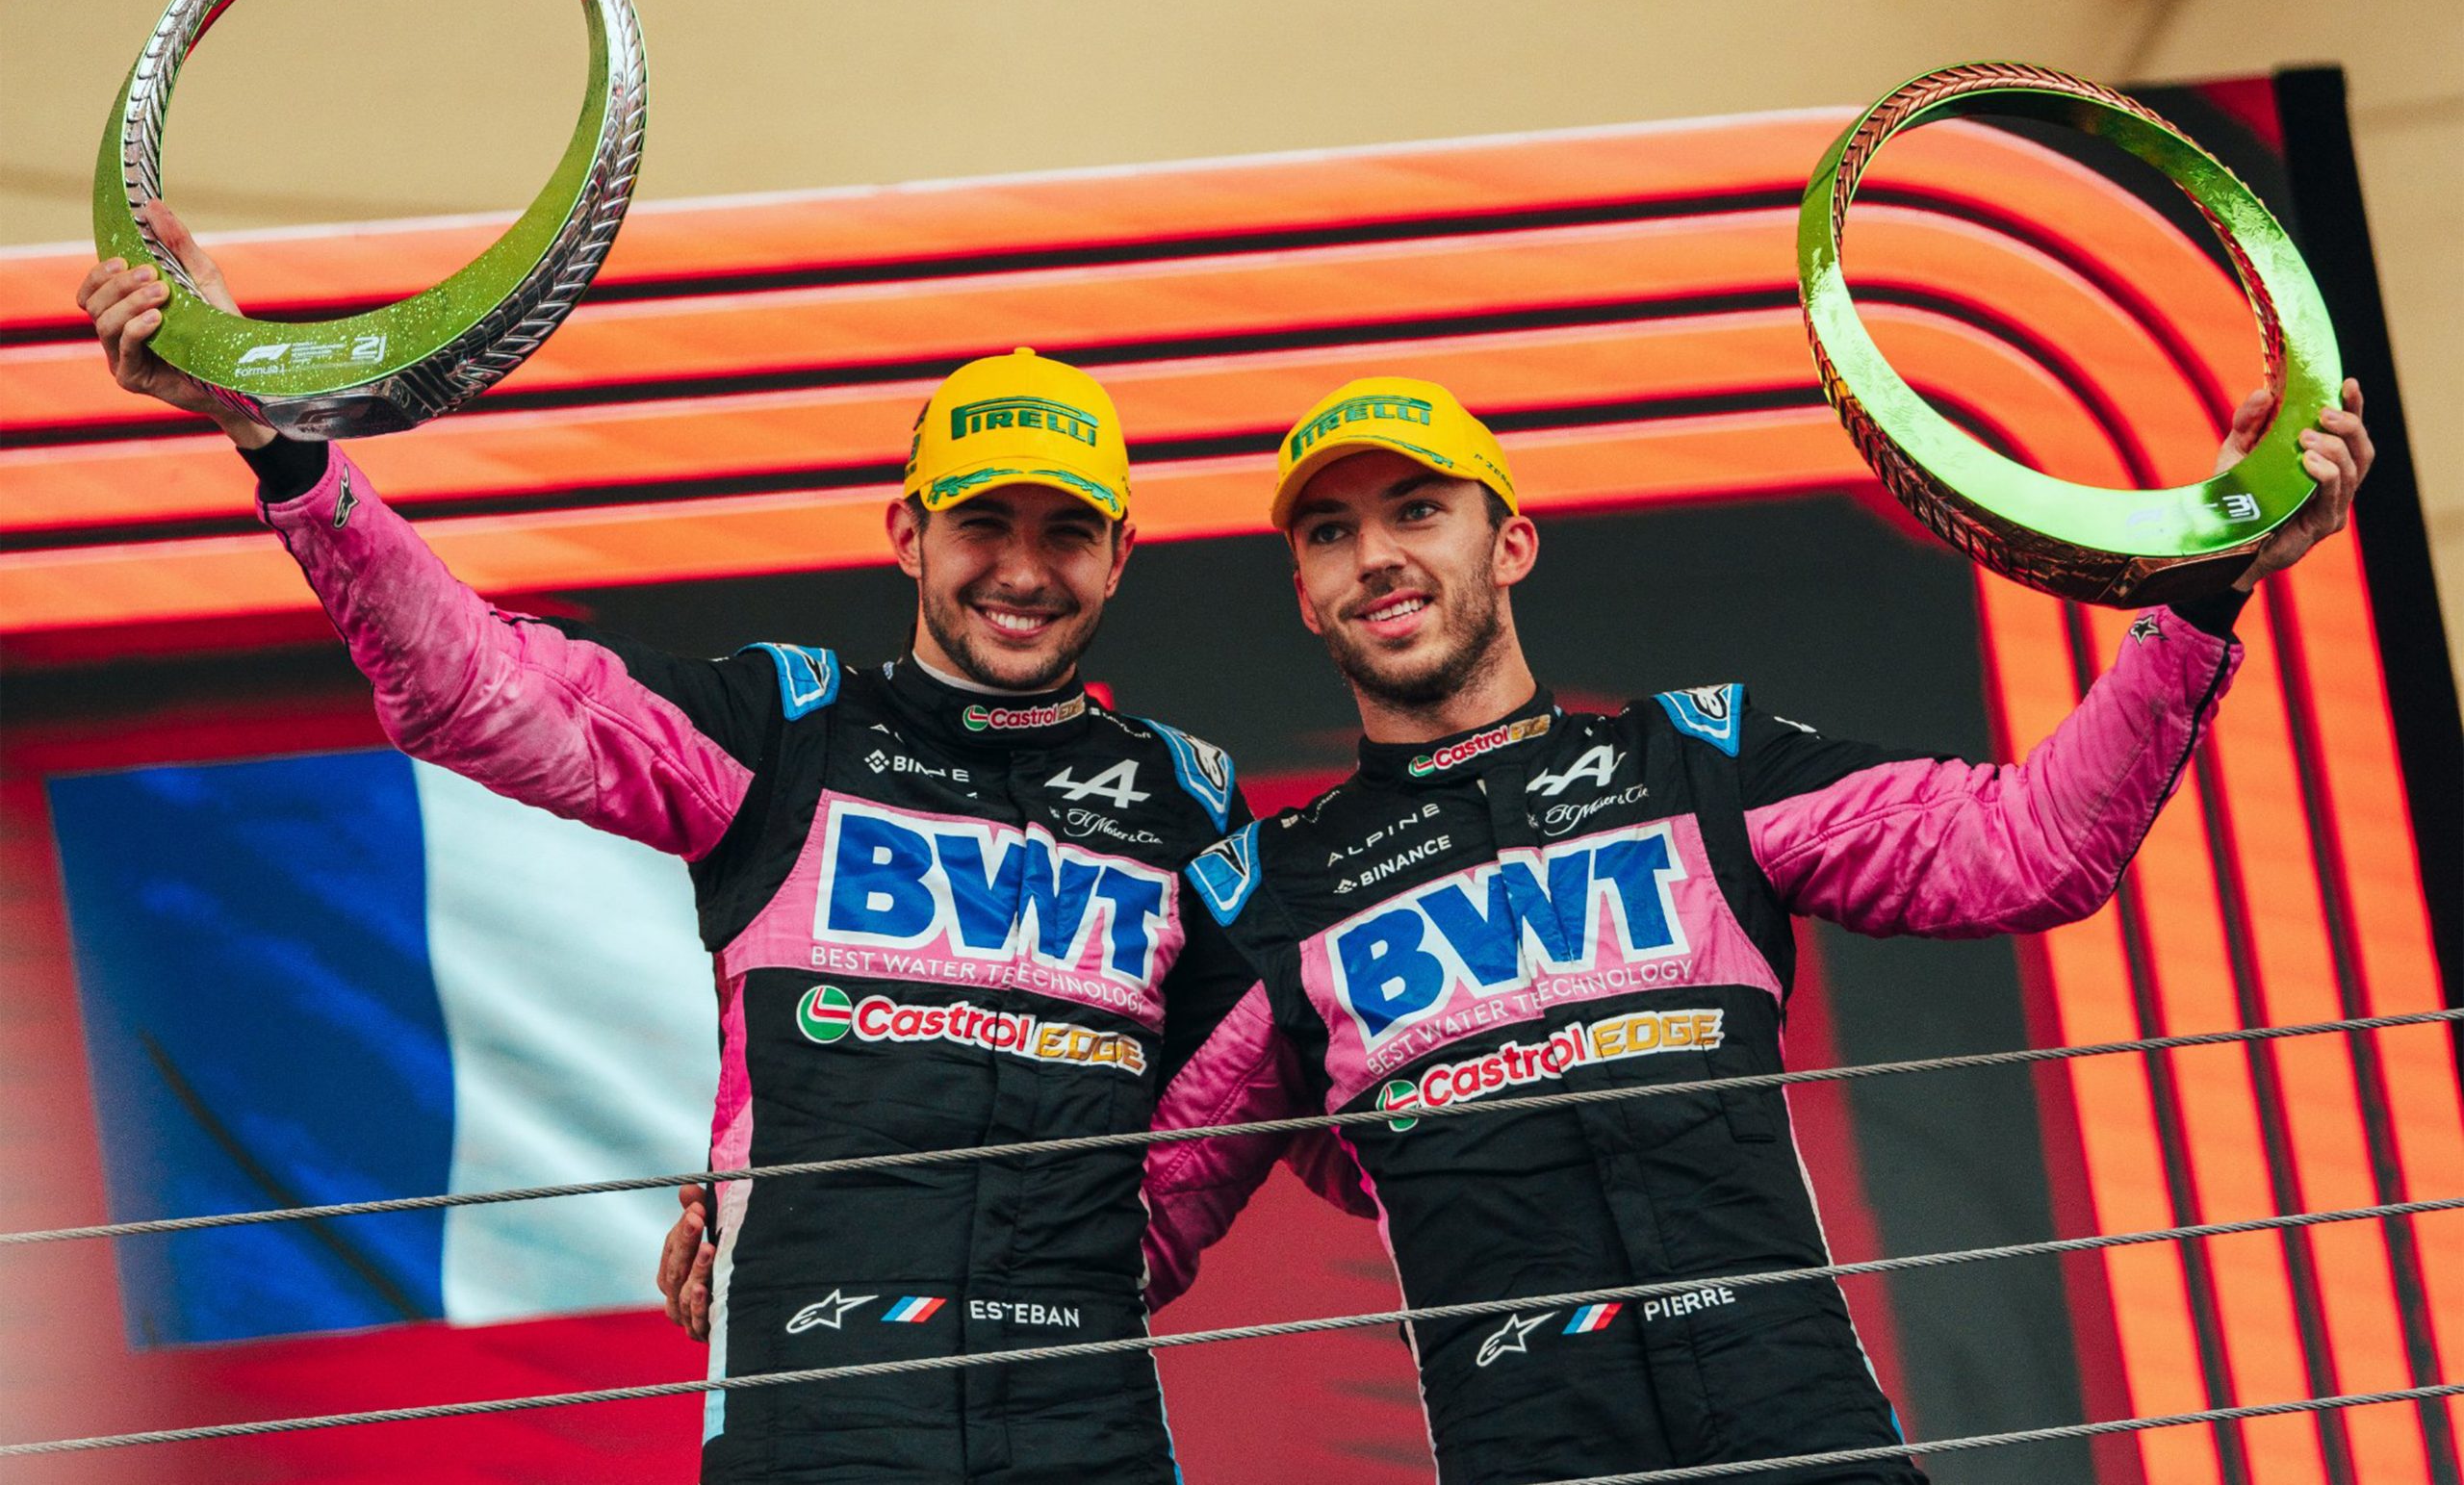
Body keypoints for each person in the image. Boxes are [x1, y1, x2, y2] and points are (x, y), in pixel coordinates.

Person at [75, 206, 1331, 1484]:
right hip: (815, 1428)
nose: (1021, 568)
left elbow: (1282, 1094)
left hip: (1086, 1431)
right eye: (981, 525)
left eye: (1064, 530)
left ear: (1120, 555)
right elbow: (477, 682)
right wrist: (279, 442)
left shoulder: (1190, 807)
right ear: (908, 534)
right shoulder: (785, 731)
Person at [1136, 374, 2372, 1484]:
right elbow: (1120, 1226)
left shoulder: (1699, 762)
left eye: (1416, 510)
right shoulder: (1272, 893)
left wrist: (2205, 588)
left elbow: (2028, 848)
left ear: (1509, 544)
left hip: (1798, 1424)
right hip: (1525, 1446)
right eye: (1330, 532)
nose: (1376, 557)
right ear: (1302, 596)